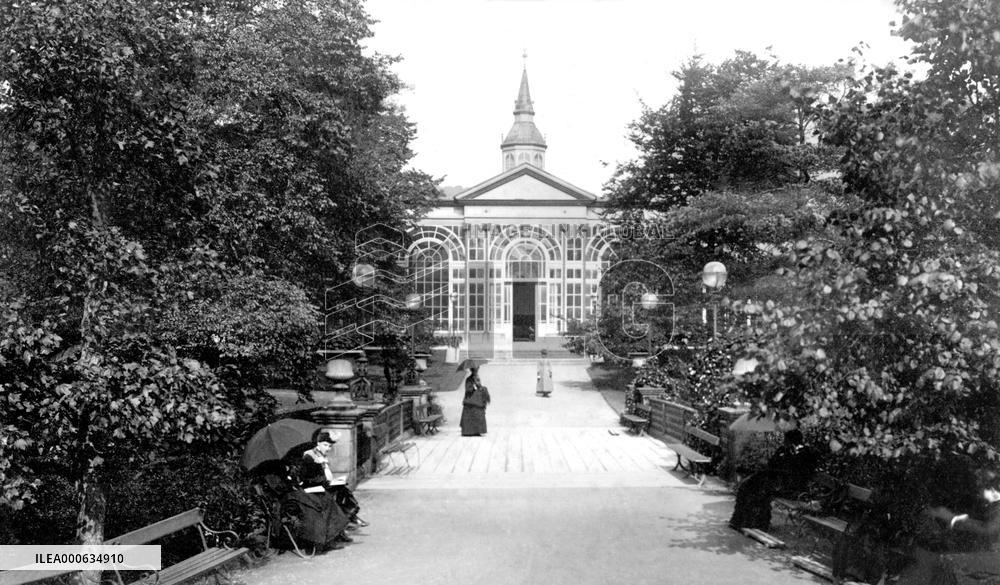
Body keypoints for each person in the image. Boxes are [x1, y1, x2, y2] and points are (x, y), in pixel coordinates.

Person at [729, 429, 818, 531]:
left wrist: (788, 456)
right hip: (777, 482)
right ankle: (740, 520)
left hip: (791, 488)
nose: (784, 442)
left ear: (793, 441)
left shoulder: (805, 453)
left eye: (787, 440)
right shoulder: (784, 450)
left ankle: (758, 522)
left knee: (760, 491)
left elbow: (794, 473)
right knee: (747, 485)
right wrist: (781, 454)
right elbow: (771, 465)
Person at [301, 430, 369, 529]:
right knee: (338, 493)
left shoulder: (321, 455)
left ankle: (350, 516)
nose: (328, 448)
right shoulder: (309, 456)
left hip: (322, 484)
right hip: (313, 487)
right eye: (325, 445)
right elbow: (307, 477)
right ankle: (347, 520)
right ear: (318, 443)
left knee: (343, 490)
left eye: (329, 446)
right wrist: (317, 465)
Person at [460, 367, 490, 436]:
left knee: (479, 408)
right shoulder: (468, 379)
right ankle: (468, 431)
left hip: (476, 397)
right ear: (472, 371)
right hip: (470, 398)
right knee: (474, 407)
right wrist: (473, 386)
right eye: (475, 370)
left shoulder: (476, 378)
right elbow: (468, 390)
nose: (476, 372)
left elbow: (479, 386)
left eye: (477, 370)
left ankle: (477, 430)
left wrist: (478, 384)